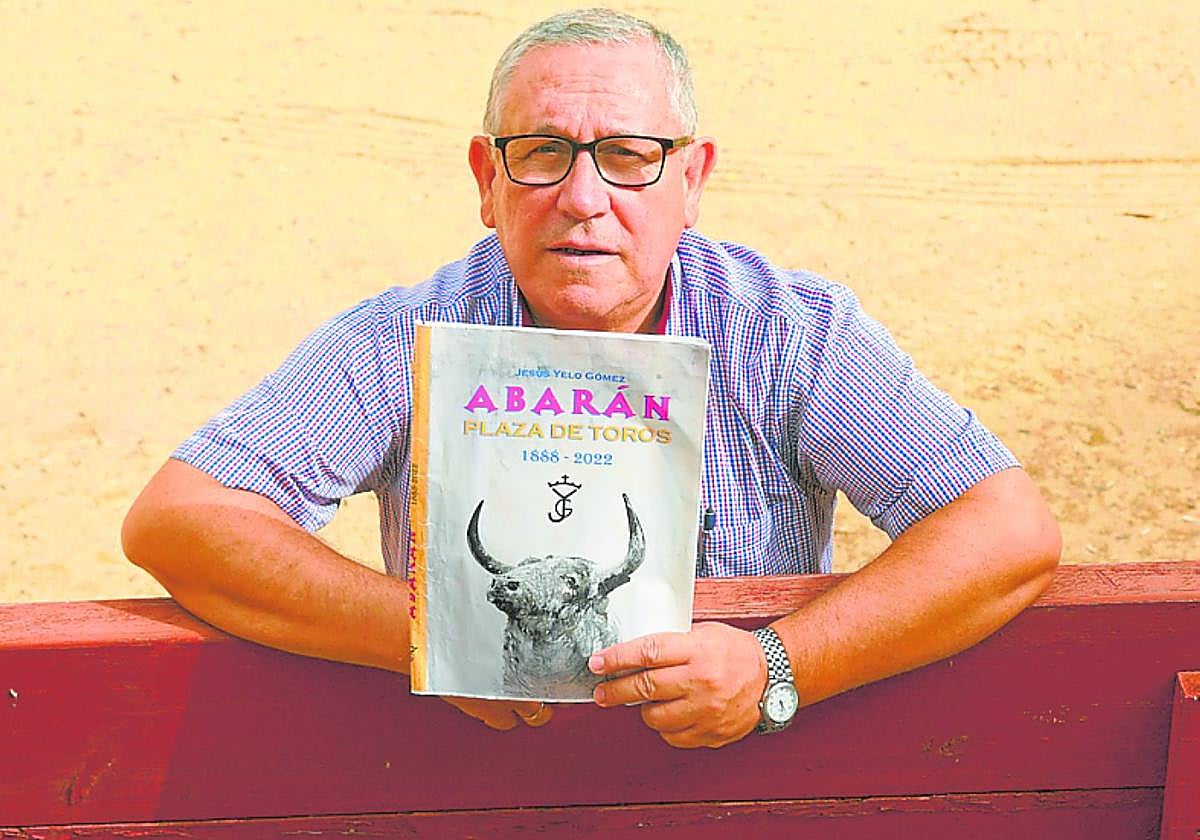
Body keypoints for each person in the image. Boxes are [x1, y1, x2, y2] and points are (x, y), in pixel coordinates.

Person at [122, 8, 1061, 749]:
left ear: (691, 180)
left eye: (628, 156)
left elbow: (1005, 530)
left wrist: (780, 665)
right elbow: (182, 520)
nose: (583, 199)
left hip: (743, 783)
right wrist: (435, 639)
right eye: (542, 154)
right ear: (486, 179)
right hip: (468, 790)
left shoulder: (788, 333)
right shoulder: (400, 337)